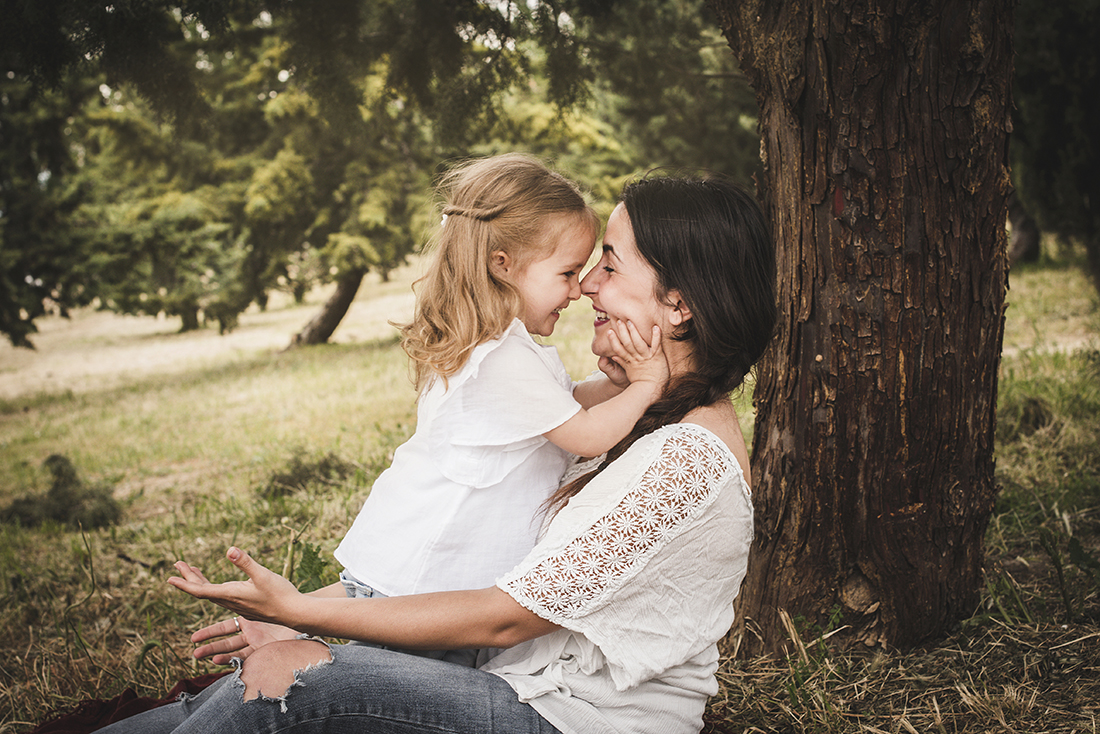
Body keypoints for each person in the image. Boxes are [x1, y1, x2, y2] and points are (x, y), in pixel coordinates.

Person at [97, 172, 777, 734]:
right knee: (238, 690)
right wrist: (299, 611)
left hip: (573, 721)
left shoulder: (685, 461)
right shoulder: (629, 410)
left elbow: (506, 612)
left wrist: (305, 619)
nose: (588, 287)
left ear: (679, 303)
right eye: (586, 264)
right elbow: (453, 560)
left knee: (291, 682)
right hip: (508, 684)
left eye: (610, 263)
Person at [235, 153, 669, 668]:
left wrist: (615, 379)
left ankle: (292, 632)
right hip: (433, 584)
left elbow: (562, 407)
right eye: (568, 272)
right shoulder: (502, 358)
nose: (578, 290)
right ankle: (297, 655)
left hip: (418, 573)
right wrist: (646, 383)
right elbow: (586, 435)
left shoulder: (500, 347)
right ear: (502, 265)